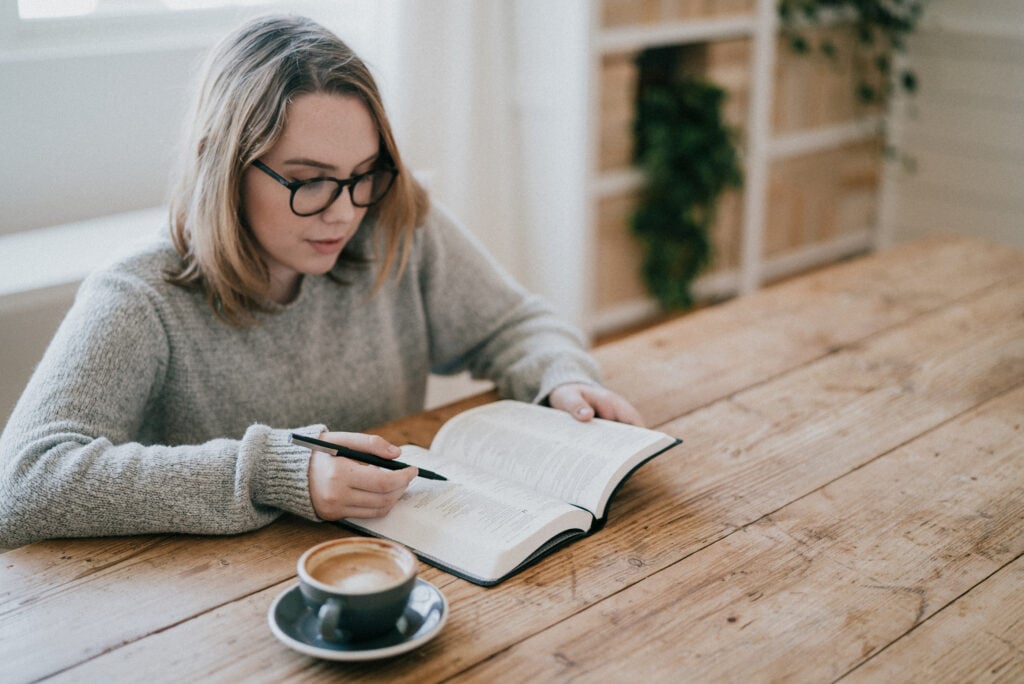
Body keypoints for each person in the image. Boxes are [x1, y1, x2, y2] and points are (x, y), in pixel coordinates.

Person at [0, 14, 642, 549]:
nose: (343, 210)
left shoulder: (394, 221)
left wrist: (562, 375)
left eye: (363, 172)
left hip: (404, 562)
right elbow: (22, 484)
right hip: (214, 605)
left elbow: (514, 324)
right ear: (220, 166)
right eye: (308, 179)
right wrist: (277, 472)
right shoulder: (140, 294)